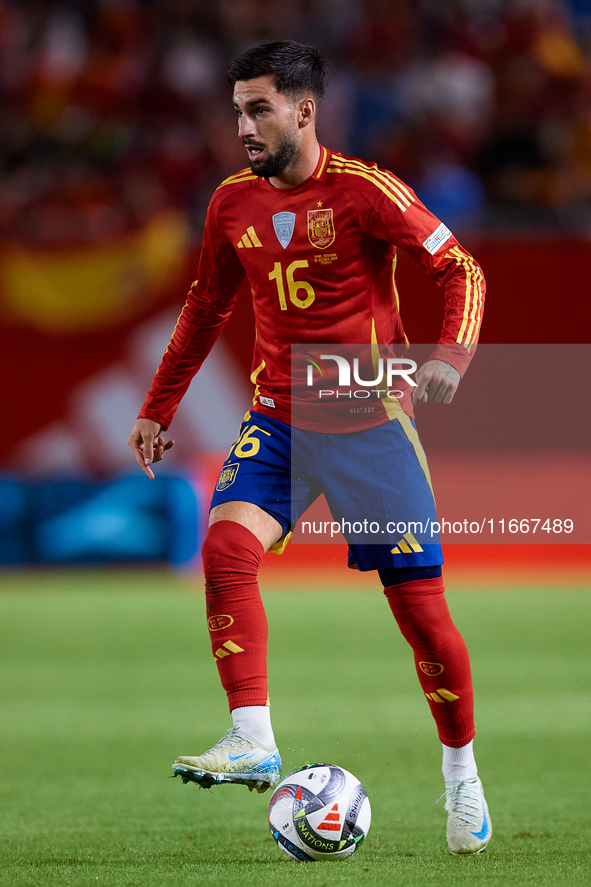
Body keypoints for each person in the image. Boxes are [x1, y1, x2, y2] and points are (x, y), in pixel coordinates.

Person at [127, 41, 490, 856]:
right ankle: (252, 734)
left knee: (424, 621)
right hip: (281, 421)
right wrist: (158, 407)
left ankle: (460, 774)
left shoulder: (365, 192)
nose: (244, 127)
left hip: (368, 425)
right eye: (236, 112)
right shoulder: (229, 206)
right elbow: (203, 309)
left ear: (303, 110)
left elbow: (460, 269)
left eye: (258, 109)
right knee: (224, 543)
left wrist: (448, 358)